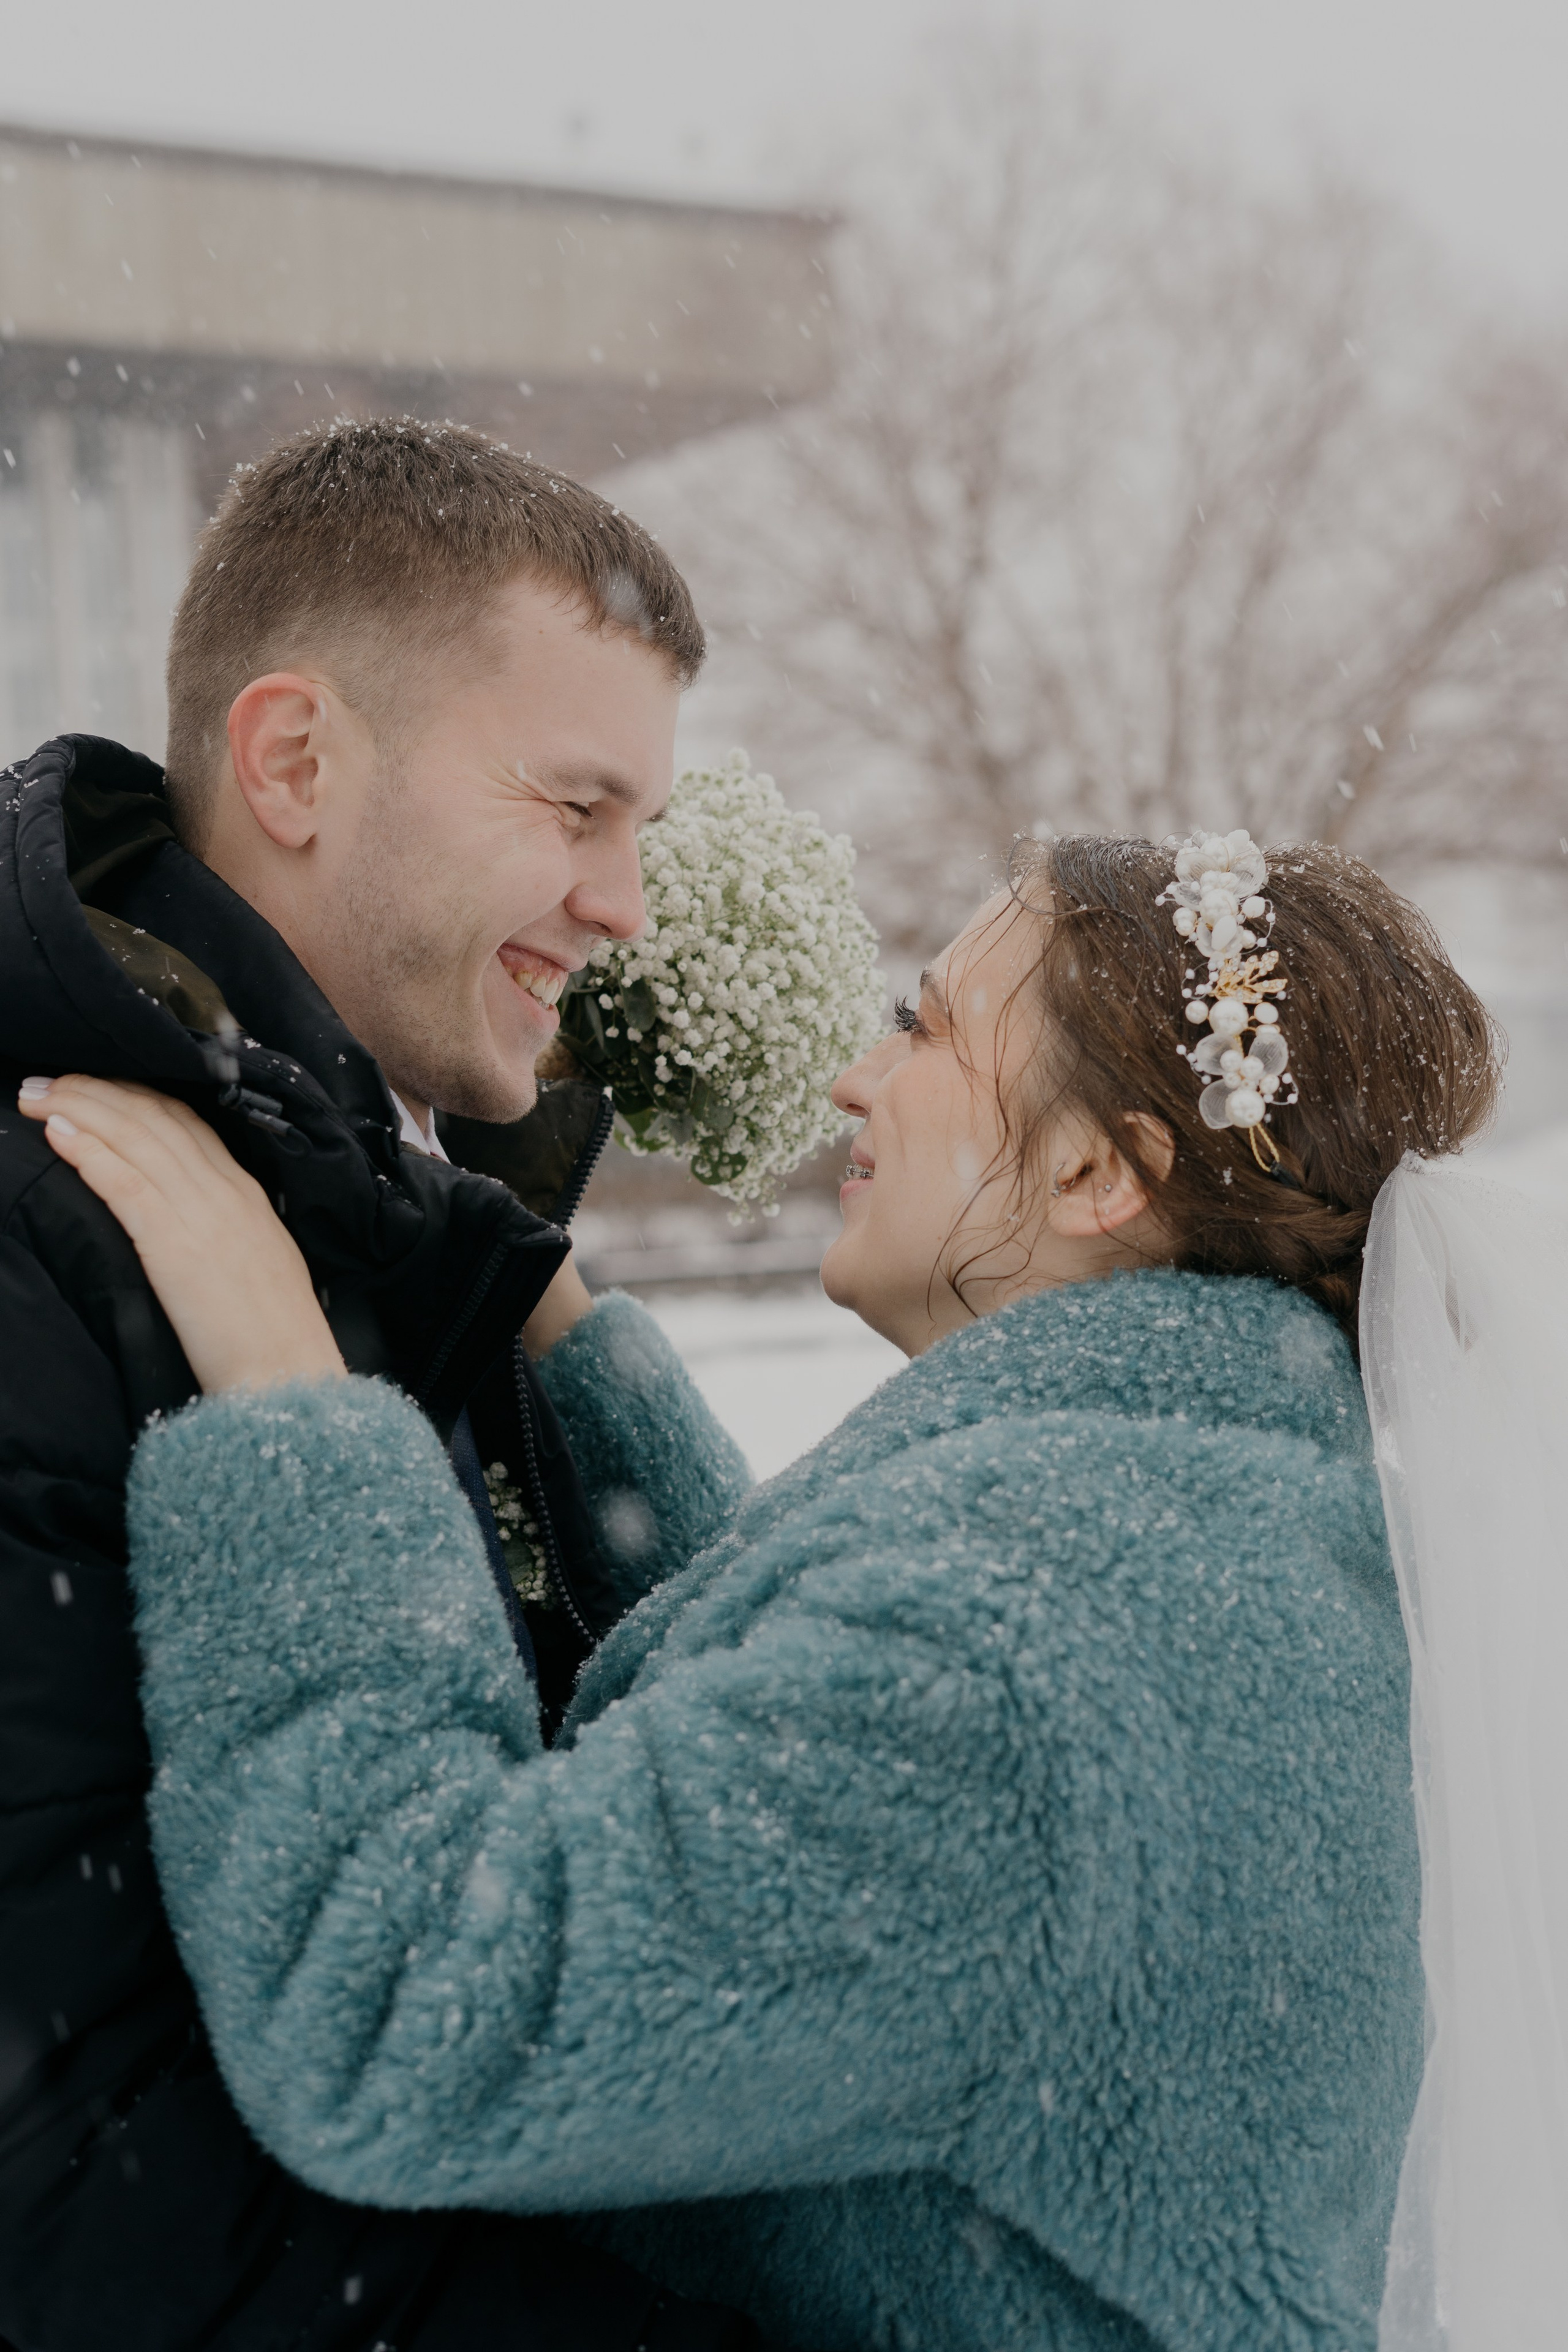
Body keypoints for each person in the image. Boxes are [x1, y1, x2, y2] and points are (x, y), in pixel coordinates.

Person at [18, 832, 1505, 2351]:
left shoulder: (1025, 1667)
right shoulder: (1211, 1528)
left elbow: (410, 2009)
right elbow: (820, 1775)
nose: (862, 1077)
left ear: (1095, 1172)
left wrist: (291, 1406)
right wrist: (555, 1325)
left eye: (929, 1028)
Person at [0, 419, 763, 2351]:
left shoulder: (373, 1222)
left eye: (642, 832)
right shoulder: (43, 1224)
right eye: (576, 805)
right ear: (295, 761)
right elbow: (67, 2179)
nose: (627, 907)